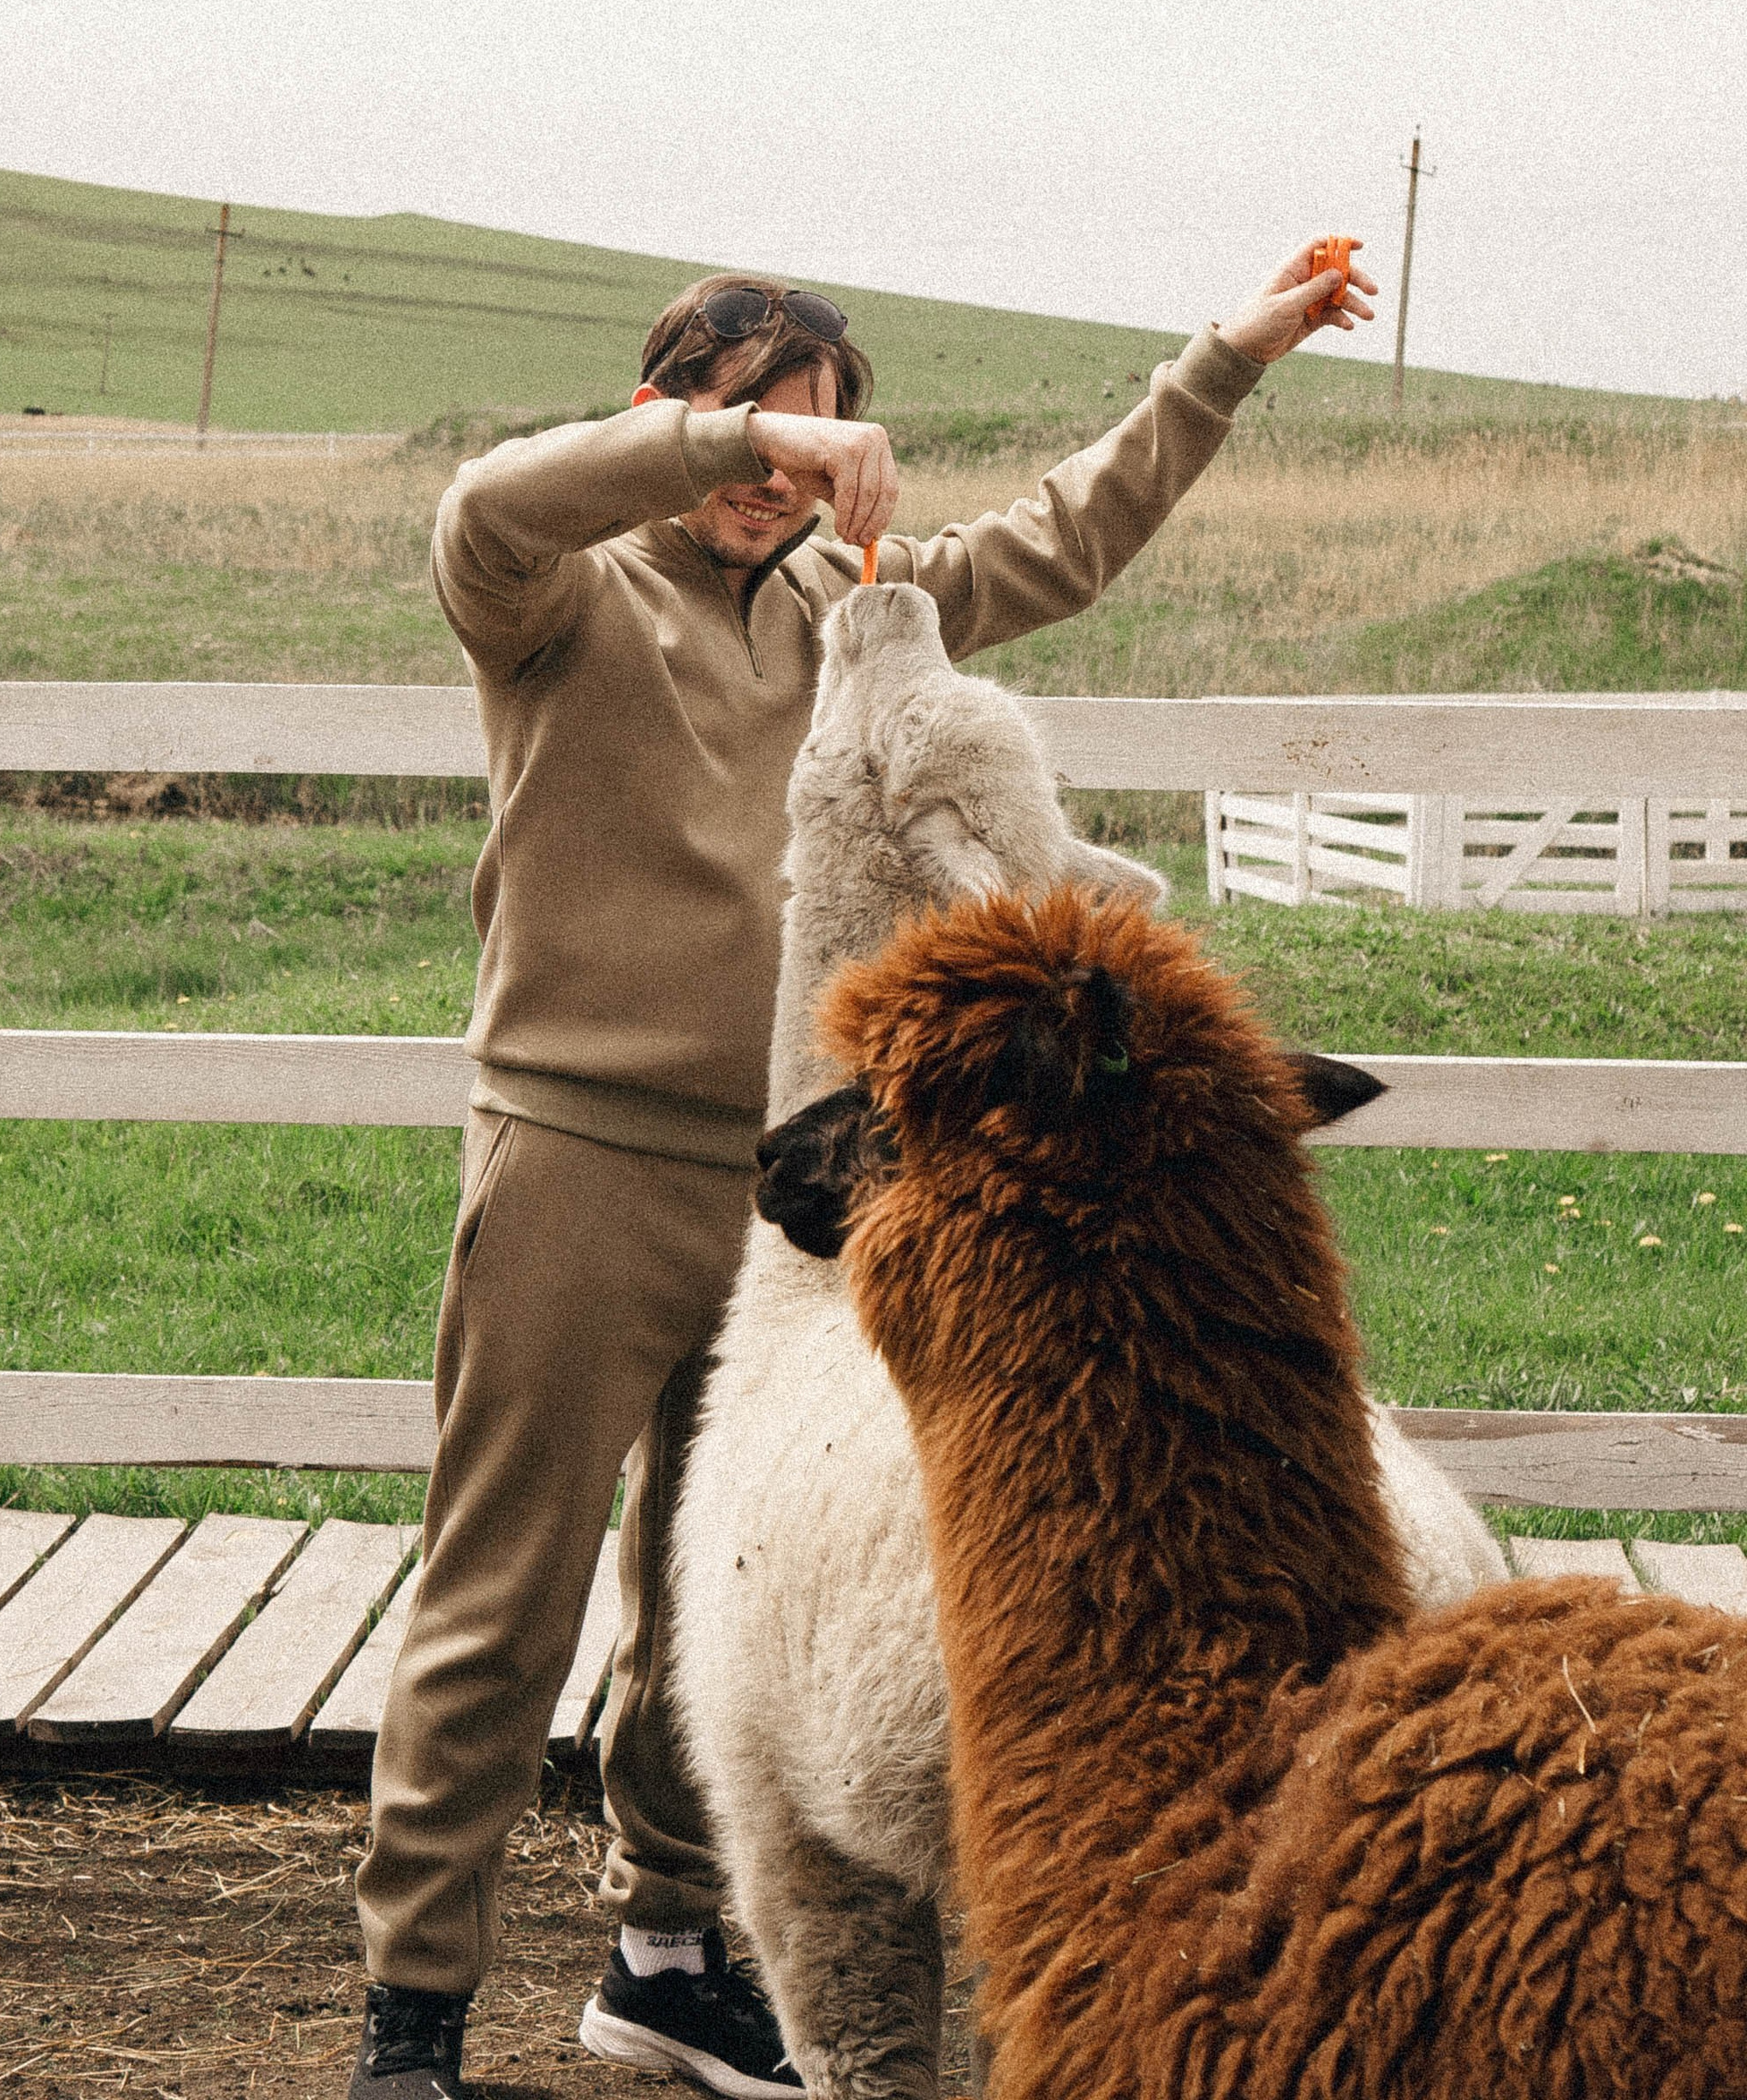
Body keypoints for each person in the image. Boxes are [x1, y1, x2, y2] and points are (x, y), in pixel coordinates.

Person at [348, 241, 1376, 2100]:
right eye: (750, 437)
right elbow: (484, 493)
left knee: (713, 1589)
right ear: (662, 413)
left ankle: (666, 1951)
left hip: (793, 1187)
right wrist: (711, 439)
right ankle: (409, 2015)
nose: (782, 478)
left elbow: (1070, 535)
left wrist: (1229, 352)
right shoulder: (551, 597)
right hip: (578, 1157)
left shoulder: (850, 602)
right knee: (500, 1598)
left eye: (818, 445)